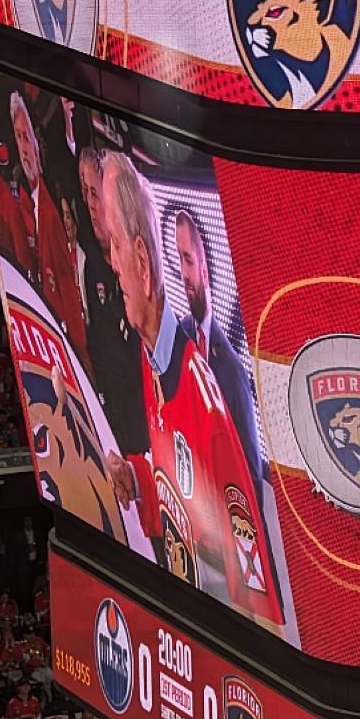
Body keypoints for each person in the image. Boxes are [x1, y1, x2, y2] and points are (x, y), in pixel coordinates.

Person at [98, 153, 284, 630]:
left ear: (142, 259)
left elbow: (245, 547)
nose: (111, 263)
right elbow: (176, 484)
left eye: (115, 245)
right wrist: (137, 479)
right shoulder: (153, 356)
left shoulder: (214, 387)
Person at [172, 209, 263, 486]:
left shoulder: (232, 369)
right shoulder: (182, 334)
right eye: (179, 259)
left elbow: (251, 475)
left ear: (205, 270)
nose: (183, 273)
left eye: (188, 260)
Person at [75, 146, 148, 456]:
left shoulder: (142, 272)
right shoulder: (89, 266)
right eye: (86, 194)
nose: (92, 205)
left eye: (97, 195)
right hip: (115, 442)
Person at [6, 91, 85, 359]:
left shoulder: (52, 198)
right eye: (18, 138)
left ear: (37, 144)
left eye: (26, 137)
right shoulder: (28, 204)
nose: (24, 148)